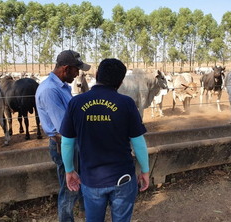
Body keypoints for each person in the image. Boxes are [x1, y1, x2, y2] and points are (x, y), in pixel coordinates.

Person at [59, 58, 150, 222]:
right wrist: (145, 170)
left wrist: (69, 170)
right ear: (121, 82)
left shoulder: (76, 102)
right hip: (123, 178)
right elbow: (138, 142)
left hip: (91, 180)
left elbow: (67, 142)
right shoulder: (126, 103)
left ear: (96, 74)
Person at [35, 50, 91, 222]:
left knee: (79, 183)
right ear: (66, 69)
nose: (78, 74)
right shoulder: (50, 91)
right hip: (64, 145)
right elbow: (64, 129)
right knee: (70, 188)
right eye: (76, 70)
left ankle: (86, 214)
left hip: (71, 142)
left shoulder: (62, 86)